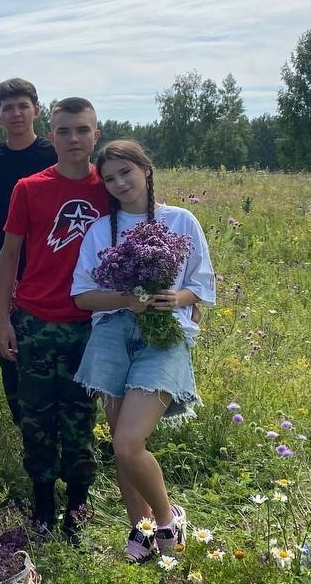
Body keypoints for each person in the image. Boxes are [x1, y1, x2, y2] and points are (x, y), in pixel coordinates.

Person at [72, 140, 215, 562]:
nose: (118, 184)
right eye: (110, 178)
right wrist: (124, 300)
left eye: (126, 173)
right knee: (120, 443)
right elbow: (82, 295)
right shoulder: (102, 229)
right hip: (113, 336)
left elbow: (202, 286)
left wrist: (177, 296)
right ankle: (142, 530)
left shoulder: (180, 221)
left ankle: (169, 519)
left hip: (164, 337)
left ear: (146, 170)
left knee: (129, 442)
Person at [0, 98, 109, 542]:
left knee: (81, 419)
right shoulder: (29, 188)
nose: (74, 139)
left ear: (96, 134)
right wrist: (4, 318)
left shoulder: (112, 187)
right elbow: (8, 256)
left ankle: (77, 508)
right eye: (64, 131)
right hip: (35, 322)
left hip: (90, 325)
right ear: (52, 135)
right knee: (36, 419)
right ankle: (42, 503)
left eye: (82, 130)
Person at [0, 79, 57, 426]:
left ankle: (55, 421)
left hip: (53, 265)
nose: (16, 113)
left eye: (23, 106)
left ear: (36, 110)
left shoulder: (53, 154)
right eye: (8, 108)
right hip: (6, 265)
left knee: (52, 349)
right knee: (8, 347)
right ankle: (21, 423)